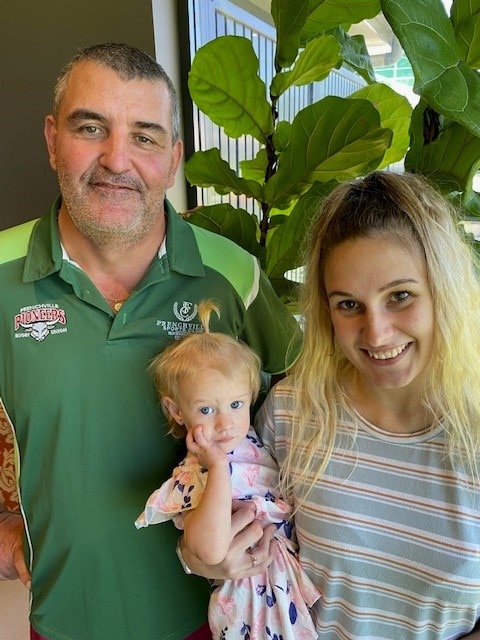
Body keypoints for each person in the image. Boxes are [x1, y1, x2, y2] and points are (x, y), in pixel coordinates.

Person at [0, 43, 302, 640]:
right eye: (92, 128)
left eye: (144, 136)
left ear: (173, 158)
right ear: (53, 138)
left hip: (219, 618)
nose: (117, 159)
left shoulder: (233, 276)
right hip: (64, 620)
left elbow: (309, 408)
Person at [254, 170, 480, 639]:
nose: (376, 334)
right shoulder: (292, 414)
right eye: (348, 305)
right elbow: (252, 565)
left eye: (400, 296)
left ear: (445, 290)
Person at [135, 300, 319, 640]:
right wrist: (218, 468)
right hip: (246, 602)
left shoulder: (252, 439)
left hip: (283, 585)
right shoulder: (198, 473)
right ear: (176, 411)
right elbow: (209, 551)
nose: (224, 423)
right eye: (206, 409)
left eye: (236, 404)